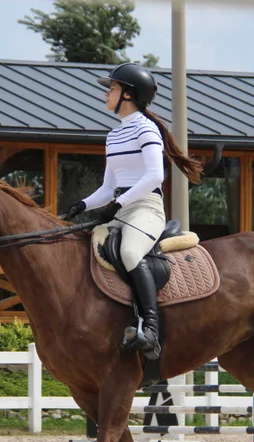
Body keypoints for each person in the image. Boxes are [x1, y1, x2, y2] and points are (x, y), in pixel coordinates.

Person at [61, 63, 203, 358]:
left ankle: (150, 329)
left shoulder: (146, 129)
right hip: (121, 209)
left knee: (129, 253)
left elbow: (155, 176)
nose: (106, 94)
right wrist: (82, 205)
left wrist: (119, 203)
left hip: (146, 209)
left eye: (111, 89)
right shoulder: (114, 136)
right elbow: (108, 187)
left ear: (127, 94)